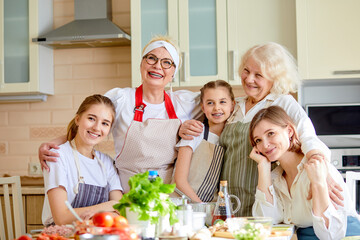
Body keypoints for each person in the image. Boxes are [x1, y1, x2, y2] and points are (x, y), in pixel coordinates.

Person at [179, 42, 342, 216]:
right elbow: (203, 116)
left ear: (275, 78)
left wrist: (321, 169)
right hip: (228, 201)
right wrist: (185, 125)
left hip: (263, 201)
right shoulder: (233, 105)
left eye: (259, 75)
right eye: (246, 71)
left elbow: (308, 136)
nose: (249, 79)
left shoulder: (282, 102)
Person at [38, 35, 200, 193]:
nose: (157, 66)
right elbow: (86, 122)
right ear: (141, 64)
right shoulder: (121, 99)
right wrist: (53, 144)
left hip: (169, 199)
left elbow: (221, 105)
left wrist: (192, 126)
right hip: (127, 198)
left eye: (167, 63)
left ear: (174, 73)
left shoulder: (185, 103)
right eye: (151, 58)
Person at [250, 106, 360, 239]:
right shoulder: (275, 179)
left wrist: (318, 183)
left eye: (271, 133)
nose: (265, 145)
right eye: (258, 140)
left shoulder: (319, 168)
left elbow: (331, 235)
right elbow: (266, 222)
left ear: (289, 131)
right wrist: (263, 166)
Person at [42, 94, 123, 226]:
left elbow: (121, 209)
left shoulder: (106, 163)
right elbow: (61, 217)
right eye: (91, 118)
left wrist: (112, 207)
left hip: (96, 233)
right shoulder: (57, 156)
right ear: (78, 119)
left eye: (105, 123)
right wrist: (108, 206)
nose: (97, 128)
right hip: (62, 235)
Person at [173, 80, 235, 202]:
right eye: (210, 103)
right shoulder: (194, 133)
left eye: (222, 102)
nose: (217, 108)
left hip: (209, 207)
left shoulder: (232, 137)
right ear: (202, 107)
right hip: (181, 204)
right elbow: (179, 181)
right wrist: (201, 207)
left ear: (232, 105)